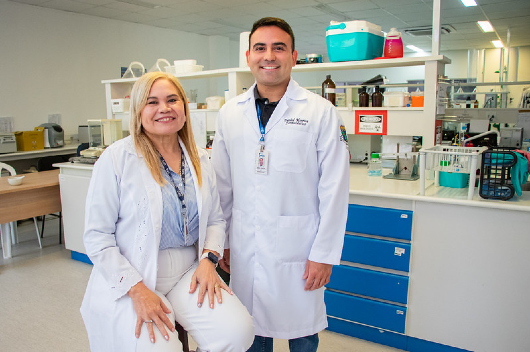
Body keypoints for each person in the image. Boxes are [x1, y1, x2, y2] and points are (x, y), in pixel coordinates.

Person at [80, 71, 254, 352]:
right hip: (134, 273)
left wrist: (209, 262)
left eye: (172, 100)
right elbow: (97, 236)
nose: (164, 108)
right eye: (152, 102)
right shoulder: (116, 159)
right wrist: (136, 290)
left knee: (238, 332)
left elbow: (215, 219)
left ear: (184, 108)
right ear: (138, 112)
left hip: (189, 269)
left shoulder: (200, 158)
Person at [211, 17, 350, 352]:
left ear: (293, 56)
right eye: (260, 48)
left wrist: (324, 254)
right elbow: (222, 186)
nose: (268, 56)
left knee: (302, 335)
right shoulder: (230, 113)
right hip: (244, 247)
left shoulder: (320, 113)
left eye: (278, 48)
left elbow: (335, 189)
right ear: (249, 57)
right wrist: (223, 242)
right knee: (250, 330)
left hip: (300, 251)